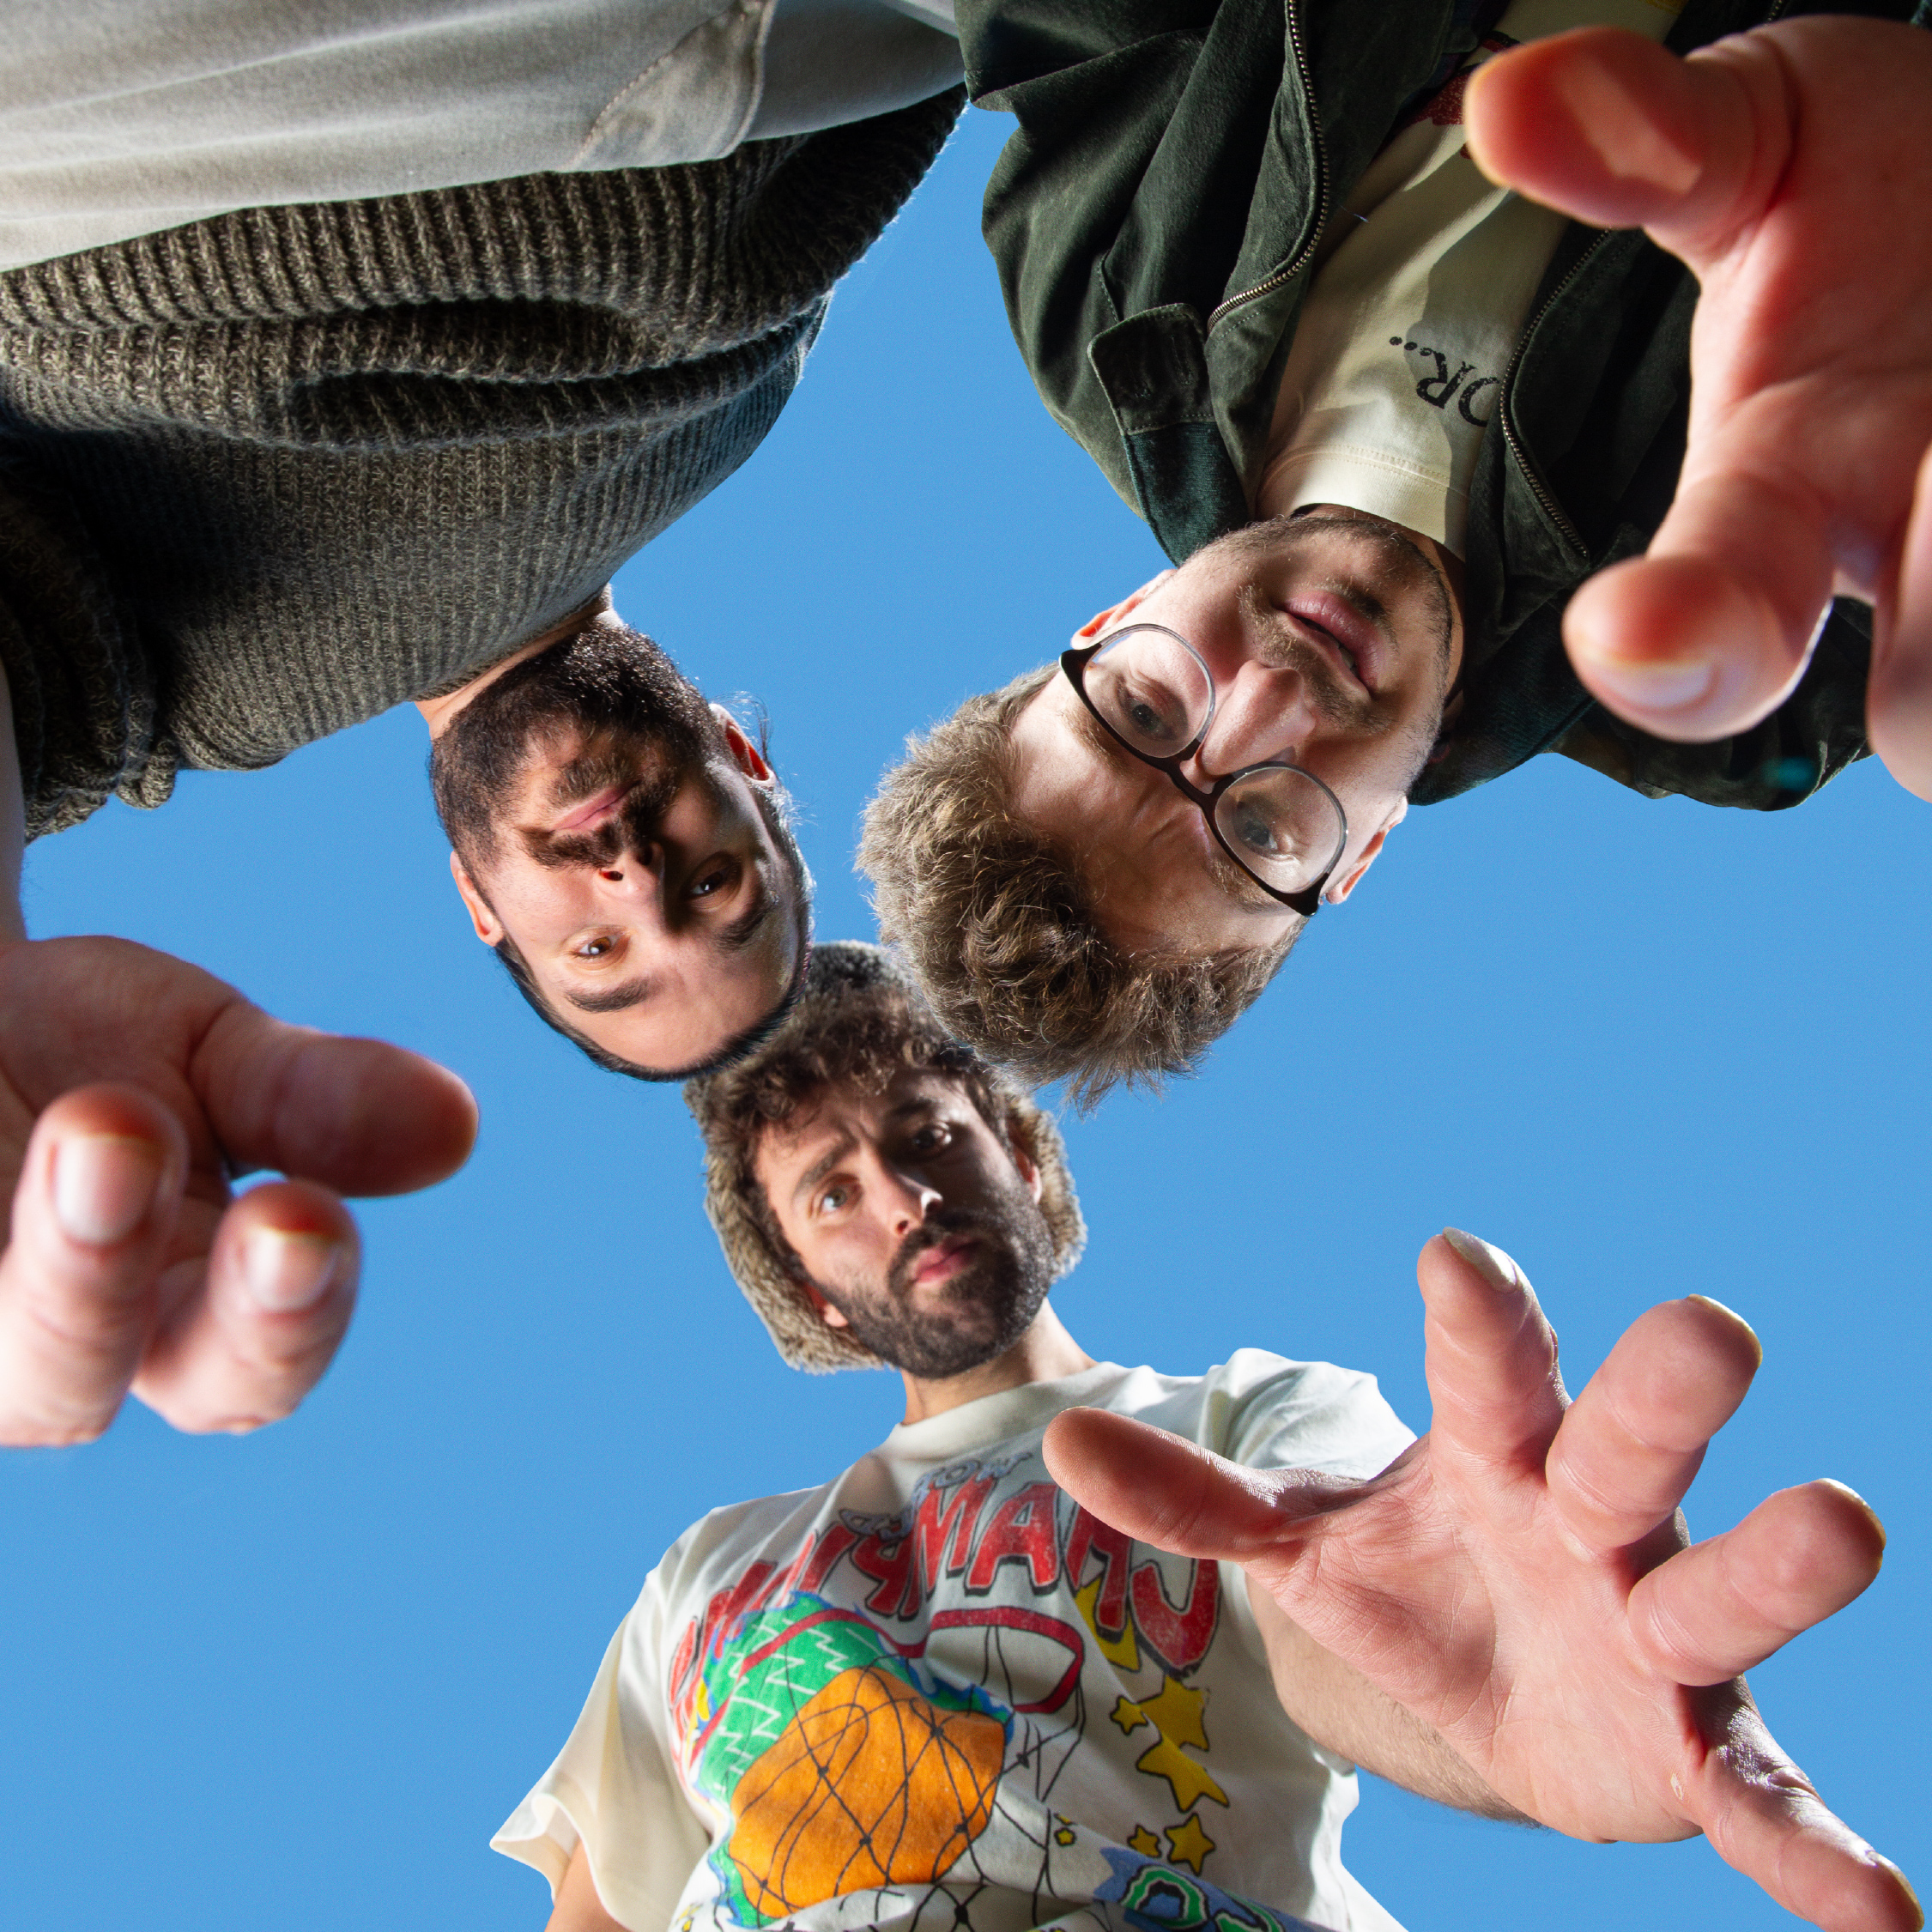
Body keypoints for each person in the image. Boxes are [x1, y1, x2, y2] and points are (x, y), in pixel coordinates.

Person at [494, 942, 1912, 1932]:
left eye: (928, 1132)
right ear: (811, 1294)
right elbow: (602, 1908)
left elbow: (1340, 1616)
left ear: (1019, 1151)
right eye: (832, 1192)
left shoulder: (1245, 1425)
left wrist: (1500, 1688)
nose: (905, 1198)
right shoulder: (708, 1573)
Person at [0, 3, 966, 1445]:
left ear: (478, 904)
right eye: (716, 884)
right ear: (746, 764)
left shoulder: (169, 697)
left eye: (596, 951)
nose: (634, 883)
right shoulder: (731, 386)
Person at [857, 1, 1932, 1102]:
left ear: (1107, 623)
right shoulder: (1742, 696)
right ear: (1357, 858)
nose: (1272, 695)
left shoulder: (1095, 296)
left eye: (1142, 712)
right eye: (1258, 828)